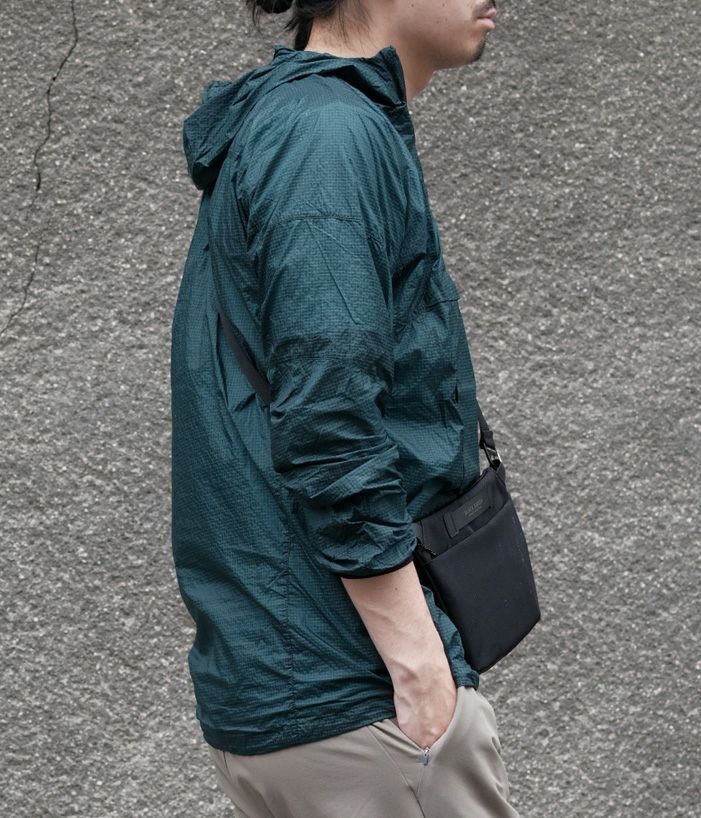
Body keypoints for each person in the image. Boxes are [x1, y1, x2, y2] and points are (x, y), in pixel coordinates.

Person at [171, 0, 521, 815]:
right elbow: (327, 418)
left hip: (319, 691)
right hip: (361, 699)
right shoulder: (326, 133)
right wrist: (419, 668)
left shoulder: (302, 122)